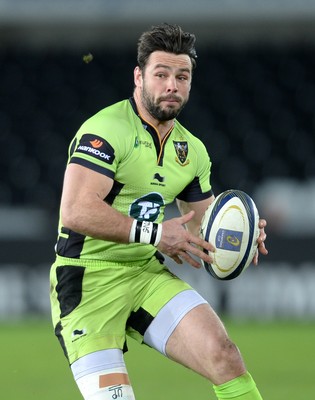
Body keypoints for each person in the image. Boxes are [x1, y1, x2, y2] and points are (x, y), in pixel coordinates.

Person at [50, 23, 268, 400]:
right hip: (87, 281)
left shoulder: (192, 151)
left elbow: (203, 226)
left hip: (145, 276)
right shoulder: (105, 130)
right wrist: (155, 234)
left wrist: (241, 237)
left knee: (224, 356)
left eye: (181, 76)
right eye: (161, 74)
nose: (172, 85)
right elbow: (75, 211)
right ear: (139, 76)